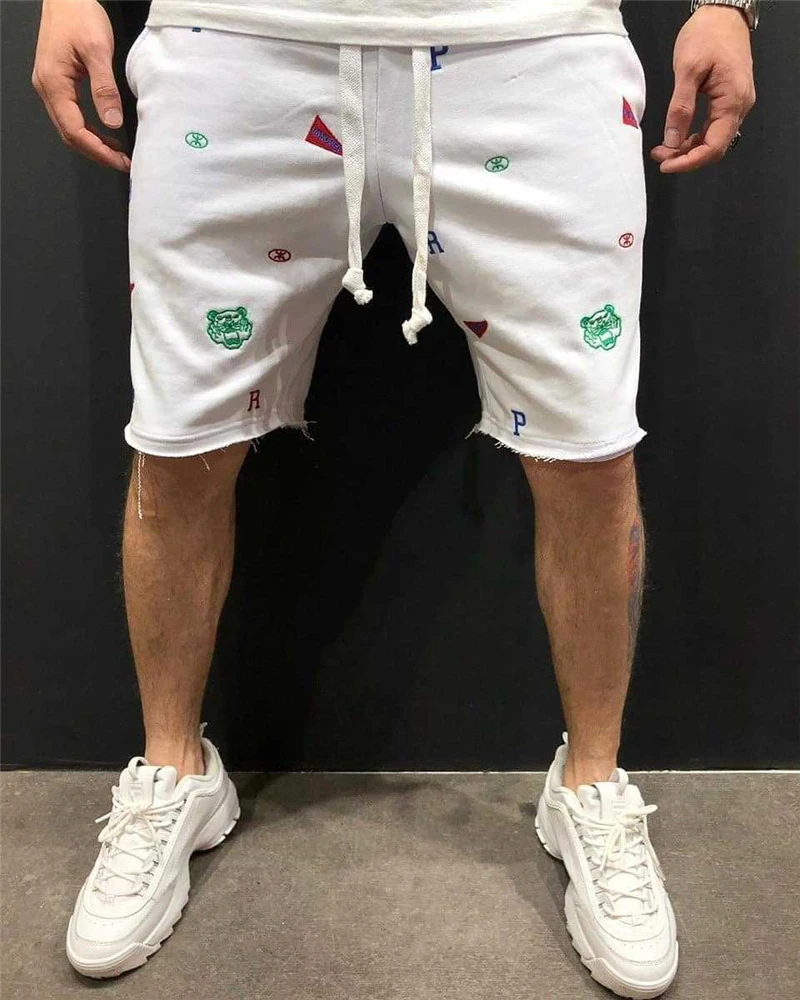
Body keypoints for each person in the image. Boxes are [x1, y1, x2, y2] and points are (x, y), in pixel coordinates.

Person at [32, 0, 756, 993]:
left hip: (533, 47)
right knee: (178, 440)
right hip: (236, 43)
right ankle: (172, 773)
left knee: (590, 452)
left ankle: (591, 784)